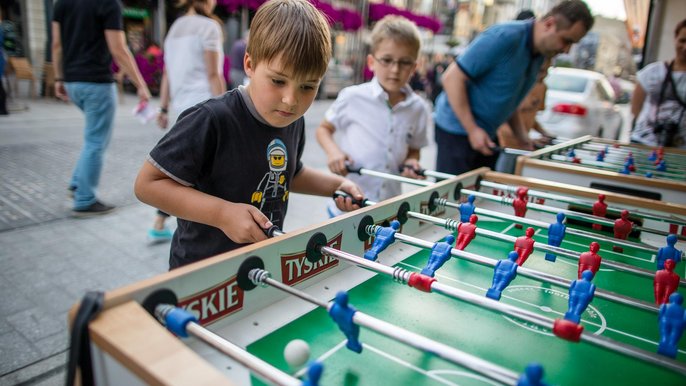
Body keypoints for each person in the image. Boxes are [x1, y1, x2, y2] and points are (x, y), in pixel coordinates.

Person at [134, 0, 363, 269]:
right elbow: (147, 184)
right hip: (200, 271)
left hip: (259, 265)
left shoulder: (292, 120)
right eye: (278, 81)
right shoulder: (212, 118)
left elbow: (289, 174)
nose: (291, 100)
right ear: (250, 64)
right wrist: (222, 214)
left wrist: (335, 186)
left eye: (308, 86)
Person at [433, 0, 592, 175]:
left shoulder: (539, 55)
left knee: (480, 196)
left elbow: (510, 100)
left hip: (486, 134)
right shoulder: (505, 36)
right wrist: (472, 129)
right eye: (566, 40)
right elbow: (452, 78)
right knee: (450, 198)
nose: (566, 50)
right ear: (549, 24)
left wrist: (523, 138)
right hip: (456, 130)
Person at [315, 15, 429, 217]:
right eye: (386, 60)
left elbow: (414, 150)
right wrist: (334, 153)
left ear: (414, 67)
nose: (395, 69)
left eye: (404, 62)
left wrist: (412, 162)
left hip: (388, 209)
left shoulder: (418, 108)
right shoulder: (352, 96)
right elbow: (324, 129)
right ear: (371, 61)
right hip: (347, 205)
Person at [52, 0, 151, 217]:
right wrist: (140, 84)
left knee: (93, 139)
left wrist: (59, 77)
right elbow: (118, 49)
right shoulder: (108, 4)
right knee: (96, 141)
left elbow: (57, 44)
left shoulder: (62, 3)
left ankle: (77, 184)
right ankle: (85, 198)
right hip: (96, 82)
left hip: (72, 81)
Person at [147, 0, 227, 242]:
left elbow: (168, 75)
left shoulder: (174, 29)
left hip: (183, 106)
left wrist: (163, 107)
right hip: (205, 105)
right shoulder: (209, 27)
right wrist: (226, 106)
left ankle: (161, 221)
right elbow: (214, 74)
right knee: (207, 169)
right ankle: (205, 227)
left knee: (188, 168)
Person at [630, 19, 686, 148]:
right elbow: (635, 107)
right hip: (643, 143)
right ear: (675, 38)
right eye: (683, 40)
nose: (685, 47)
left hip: (680, 151)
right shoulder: (652, 72)